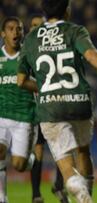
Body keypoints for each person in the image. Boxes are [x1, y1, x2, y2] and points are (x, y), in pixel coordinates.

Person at [17, 0, 97, 202]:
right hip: (79, 101)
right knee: (83, 151)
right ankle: (87, 194)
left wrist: (46, 87)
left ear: (43, 12)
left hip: (51, 106)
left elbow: (21, 80)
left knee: (66, 164)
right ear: (67, 10)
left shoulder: (31, 38)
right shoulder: (75, 31)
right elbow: (92, 56)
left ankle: (77, 188)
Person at [28, 14, 70, 203]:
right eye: (32, 25)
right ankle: (36, 193)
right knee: (37, 151)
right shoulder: (25, 53)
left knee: (62, 149)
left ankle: (59, 186)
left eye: (39, 26)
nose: (35, 29)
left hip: (54, 107)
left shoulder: (51, 52)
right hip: (35, 111)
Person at [0, 16, 36, 203]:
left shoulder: (29, 55)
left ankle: (31, 160)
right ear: (3, 33)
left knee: (19, 165)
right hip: (2, 114)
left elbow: (41, 83)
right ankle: (2, 196)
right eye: (11, 29)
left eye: (19, 29)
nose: (16, 32)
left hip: (24, 115)